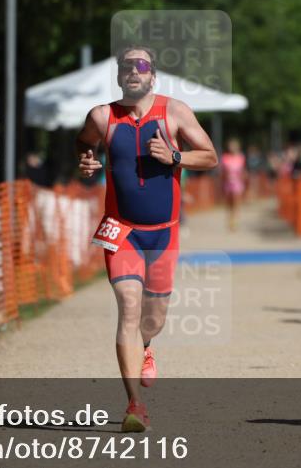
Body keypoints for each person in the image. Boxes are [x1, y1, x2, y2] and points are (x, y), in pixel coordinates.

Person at [76, 45, 218, 432]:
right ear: (120, 76)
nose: (134, 72)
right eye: (127, 66)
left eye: (141, 66)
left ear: (153, 75)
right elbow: (83, 142)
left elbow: (210, 156)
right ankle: (135, 406)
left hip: (163, 234)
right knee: (128, 306)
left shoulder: (174, 112)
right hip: (121, 230)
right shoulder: (103, 116)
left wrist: (174, 157)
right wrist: (87, 160)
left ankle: (148, 346)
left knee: (152, 319)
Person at [220, 138, 248, 230]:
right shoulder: (225, 157)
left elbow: (243, 171)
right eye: (230, 146)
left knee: (236, 202)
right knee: (229, 203)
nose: (232, 147)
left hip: (238, 182)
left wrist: (244, 180)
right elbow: (222, 172)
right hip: (228, 183)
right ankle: (229, 219)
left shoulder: (241, 158)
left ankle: (235, 222)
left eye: (234, 146)